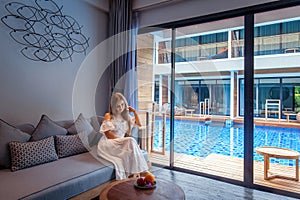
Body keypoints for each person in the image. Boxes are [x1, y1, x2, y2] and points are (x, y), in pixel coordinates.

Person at [97, 92, 148, 180]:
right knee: (130, 141)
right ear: (113, 106)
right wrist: (122, 141)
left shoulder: (126, 117)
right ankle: (142, 171)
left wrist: (134, 112)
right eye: (118, 106)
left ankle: (134, 174)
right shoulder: (108, 115)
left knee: (130, 143)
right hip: (108, 143)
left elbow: (138, 124)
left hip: (119, 142)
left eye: (122, 104)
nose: (120, 107)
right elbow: (108, 134)